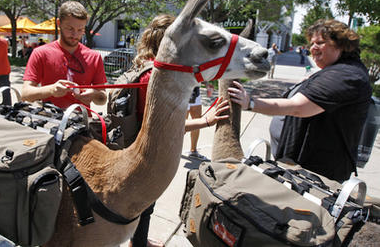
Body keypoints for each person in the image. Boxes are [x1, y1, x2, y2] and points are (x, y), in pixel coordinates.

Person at [129, 14, 230, 247]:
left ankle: (139, 240)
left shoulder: (146, 67)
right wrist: (205, 120)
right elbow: (164, 126)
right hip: (147, 153)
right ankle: (138, 244)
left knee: (143, 204)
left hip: (137, 147)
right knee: (145, 204)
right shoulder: (154, 77)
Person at [228, 19, 372, 182]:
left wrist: (251, 103)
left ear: (341, 44)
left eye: (320, 42)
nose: (313, 48)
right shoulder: (336, 70)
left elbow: (298, 107)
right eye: (312, 43)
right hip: (299, 167)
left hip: (316, 175)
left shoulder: (345, 76)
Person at [22, 1, 107, 109]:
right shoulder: (41, 53)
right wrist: (51, 90)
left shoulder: (94, 56)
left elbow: (103, 99)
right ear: (59, 23)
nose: (75, 35)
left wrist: (95, 94)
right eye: (70, 29)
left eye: (80, 30)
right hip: (49, 120)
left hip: (82, 121)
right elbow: (25, 93)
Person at [186, 86, 205, 160]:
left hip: (195, 90)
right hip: (183, 89)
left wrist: (207, 84)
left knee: (197, 122)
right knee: (181, 124)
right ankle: (173, 151)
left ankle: (193, 151)